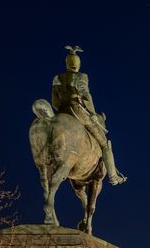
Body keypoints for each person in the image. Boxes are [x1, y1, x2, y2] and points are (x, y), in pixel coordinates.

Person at [52, 45, 127, 185]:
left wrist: (62, 109)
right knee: (105, 144)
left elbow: (54, 102)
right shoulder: (82, 76)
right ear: (78, 64)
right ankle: (113, 176)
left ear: (67, 63)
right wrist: (92, 113)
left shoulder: (57, 78)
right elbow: (86, 95)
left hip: (61, 111)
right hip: (78, 111)